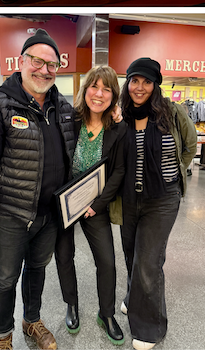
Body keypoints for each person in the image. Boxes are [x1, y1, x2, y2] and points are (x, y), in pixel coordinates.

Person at [0, 29, 77, 350]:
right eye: (37, 61)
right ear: (21, 61)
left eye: (52, 64)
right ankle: (3, 337)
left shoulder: (64, 107)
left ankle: (32, 321)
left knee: (37, 270)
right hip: (11, 215)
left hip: (49, 215)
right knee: (5, 279)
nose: (45, 70)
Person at [118, 57, 196, 350]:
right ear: (128, 83)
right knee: (131, 256)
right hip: (128, 199)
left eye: (147, 81)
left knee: (149, 262)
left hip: (162, 200)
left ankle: (150, 328)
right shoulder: (121, 115)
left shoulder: (172, 113)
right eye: (135, 80)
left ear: (156, 84)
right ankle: (131, 298)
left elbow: (190, 145)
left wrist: (172, 175)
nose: (140, 87)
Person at [53, 65, 127, 345]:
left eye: (106, 89)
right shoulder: (69, 120)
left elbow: (118, 171)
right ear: (85, 90)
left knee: (107, 261)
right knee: (64, 256)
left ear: (113, 96)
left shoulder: (118, 129)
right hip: (66, 202)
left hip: (95, 204)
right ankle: (71, 304)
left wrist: (97, 204)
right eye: (94, 87)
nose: (99, 94)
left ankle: (106, 313)